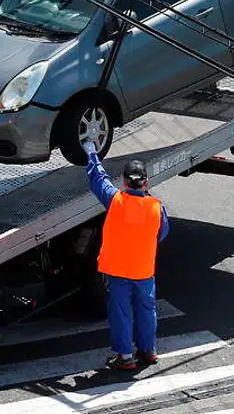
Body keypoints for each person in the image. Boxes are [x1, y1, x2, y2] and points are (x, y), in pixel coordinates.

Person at [84, 146, 169, 372]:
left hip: (118, 270)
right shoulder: (156, 208)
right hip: (143, 270)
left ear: (123, 182)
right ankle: (148, 351)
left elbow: (97, 179)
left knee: (121, 313)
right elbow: (162, 234)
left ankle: (125, 356)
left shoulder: (116, 201)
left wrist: (92, 153)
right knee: (146, 310)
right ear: (146, 183)